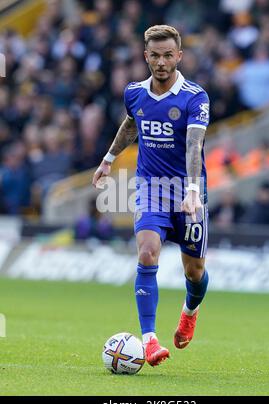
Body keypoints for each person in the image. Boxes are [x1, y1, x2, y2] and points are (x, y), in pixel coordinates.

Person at [92, 25, 210, 367]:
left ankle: (190, 311)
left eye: (168, 55)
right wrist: (108, 160)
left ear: (179, 56)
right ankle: (149, 340)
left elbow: (194, 145)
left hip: (188, 190)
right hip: (150, 188)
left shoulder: (195, 97)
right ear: (146, 56)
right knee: (147, 253)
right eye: (155, 55)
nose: (161, 62)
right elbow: (132, 123)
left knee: (195, 272)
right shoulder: (134, 93)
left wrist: (191, 191)